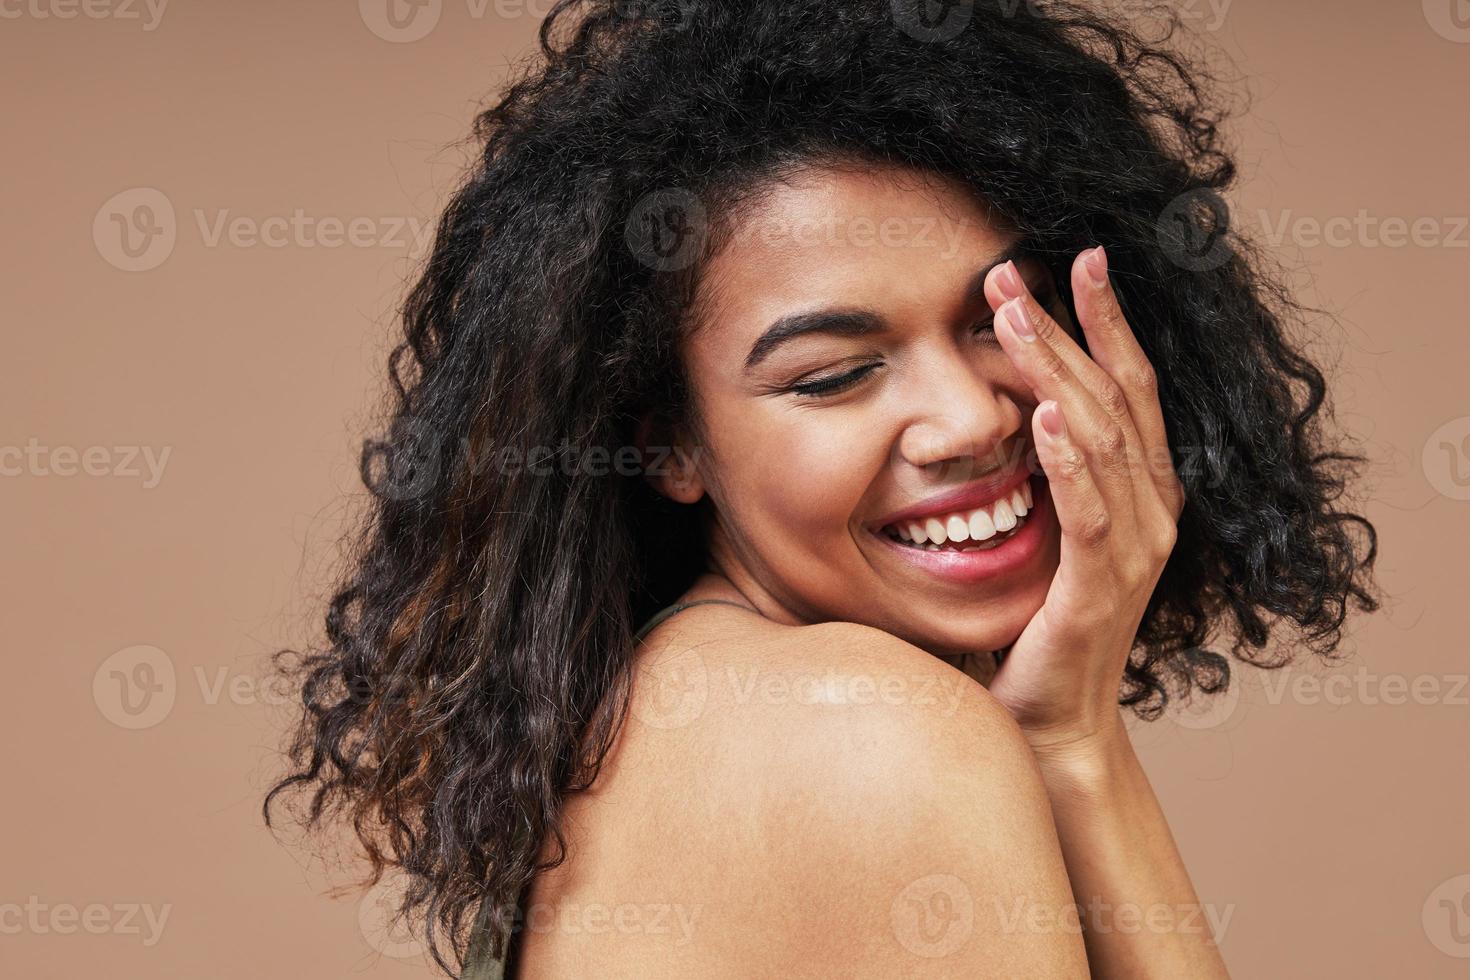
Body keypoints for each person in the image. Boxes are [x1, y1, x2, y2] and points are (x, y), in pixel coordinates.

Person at [266, 1, 1380, 976]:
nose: (971, 418)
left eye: (1004, 319)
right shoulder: (867, 733)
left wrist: (1074, 737)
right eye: (836, 374)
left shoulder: (669, 702)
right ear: (667, 443)